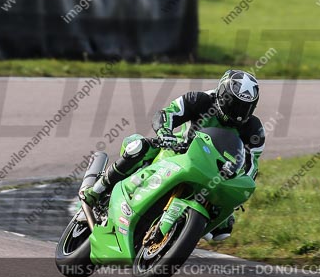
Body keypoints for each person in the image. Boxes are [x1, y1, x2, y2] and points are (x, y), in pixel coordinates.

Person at [81, 69, 265, 242]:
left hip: (214, 173)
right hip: (178, 150)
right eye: (234, 104)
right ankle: (97, 190)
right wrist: (165, 133)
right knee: (139, 147)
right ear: (223, 95)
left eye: (244, 108)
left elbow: (251, 166)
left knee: (222, 230)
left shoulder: (254, 129)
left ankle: (177, 234)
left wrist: (237, 185)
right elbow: (167, 113)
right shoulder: (200, 100)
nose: (238, 113)